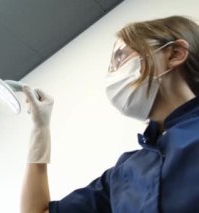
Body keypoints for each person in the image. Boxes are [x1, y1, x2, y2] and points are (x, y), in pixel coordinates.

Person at [20, 15, 199, 213]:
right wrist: (41, 128)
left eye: (121, 57)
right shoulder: (126, 172)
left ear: (174, 54)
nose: (114, 74)